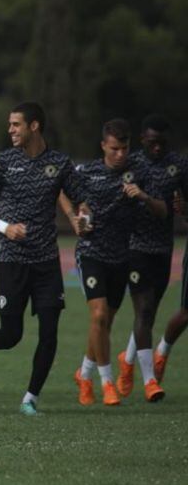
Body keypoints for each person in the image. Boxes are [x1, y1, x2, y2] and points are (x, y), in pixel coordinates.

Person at [0, 102, 83, 415]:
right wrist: (4, 227)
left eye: (16, 124)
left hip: (46, 262)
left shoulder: (59, 163)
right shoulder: (3, 161)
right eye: (9, 125)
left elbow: (81, 199)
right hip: (11, 260)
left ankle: (30, 398)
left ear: (34, 126)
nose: (10, 130)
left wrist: (83, 217)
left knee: (49, 333)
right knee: (12, 335)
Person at [62, 118, 166, 406]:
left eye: (125, 148)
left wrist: (143, 196)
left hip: (122, 257)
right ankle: (106, 382)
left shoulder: (140, 171)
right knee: (97, 316)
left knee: (104, 323)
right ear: (103, 147)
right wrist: (74, 219)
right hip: (91, 252)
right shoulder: (87, 171)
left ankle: (84, 374)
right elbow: (62, 191)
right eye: (114, 149)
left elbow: (162, 210)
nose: (120, 154)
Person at [115, 115, 188, 399]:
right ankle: (149, 382)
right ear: (142, 140)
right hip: (135, 247)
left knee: (149, 313)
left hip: (163, 248)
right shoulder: (130, 163)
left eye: (162, 143)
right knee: (143, 311)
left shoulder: (179, 165)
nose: (156, 148)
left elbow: (184, 206)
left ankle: (128, 360)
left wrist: (184, 208)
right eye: (151, 142)